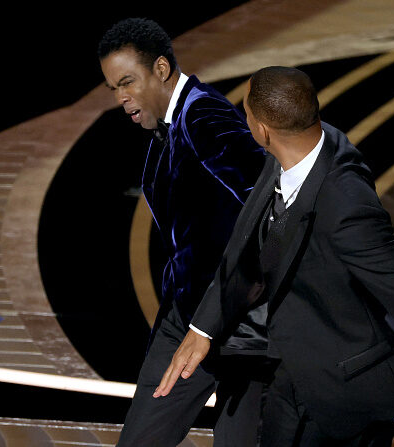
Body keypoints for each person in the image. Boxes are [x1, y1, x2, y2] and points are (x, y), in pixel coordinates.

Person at [154, 66, 394, 447]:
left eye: (246, 113)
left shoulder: (347, 206)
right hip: (294, 374)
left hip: (348, 390)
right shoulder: (299, 147)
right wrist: (203, 329)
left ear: (262, 130)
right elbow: (246, 244)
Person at [98, 18, 270, 447]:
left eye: (127, 82)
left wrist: (220, 310)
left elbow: (266, 200)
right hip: (186, 317)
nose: (121, 98)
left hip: (238, 326)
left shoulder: (204, 114)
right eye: (113, 88)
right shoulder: (167, 125)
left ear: (160, 69)